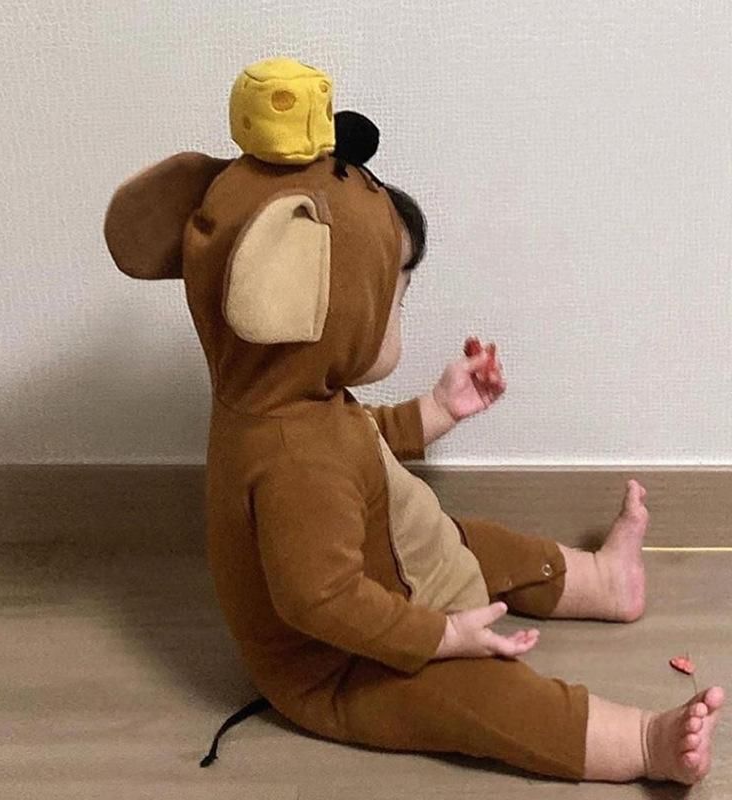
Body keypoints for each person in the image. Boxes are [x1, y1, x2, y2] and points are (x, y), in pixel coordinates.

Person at [104, 57, 724, 785]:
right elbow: (320, 600)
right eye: (395, 301)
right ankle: (644, 743)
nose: (400, 315)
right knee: (476, 698)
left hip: (387, 572)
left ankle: (602, 581)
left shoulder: (282, 402)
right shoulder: (293, 463)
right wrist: (440, 636)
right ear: (307, 312)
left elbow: (355, 445)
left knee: (475, 540)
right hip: (339, 667)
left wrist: (436, 409)